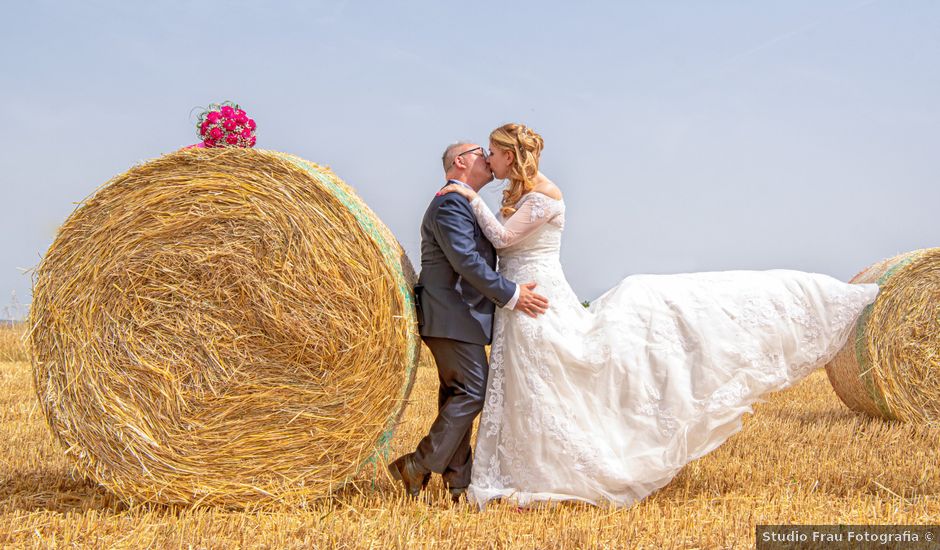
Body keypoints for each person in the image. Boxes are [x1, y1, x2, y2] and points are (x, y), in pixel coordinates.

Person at [436, 123, 881, 509]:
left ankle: (553, 474)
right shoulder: (518, 191)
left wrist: (465, 194)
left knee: (551, 377)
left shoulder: (543, 194)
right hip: (518, 297)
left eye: (492, 152)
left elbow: (498, 235)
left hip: (535, 294)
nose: (488, 159)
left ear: (509, 155)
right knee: (528, 385)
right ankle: (523, 472)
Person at [387, 142, 550, 504]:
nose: (489, 158)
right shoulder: (450, 204)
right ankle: (415, 464)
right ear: (460, 161)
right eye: (481, 151)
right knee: (473, 392)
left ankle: (458, 482)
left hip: (456, 316)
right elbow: (466, 262)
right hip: (452, 314)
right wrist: (511, 294)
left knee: (456, 396)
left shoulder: (461, 202)